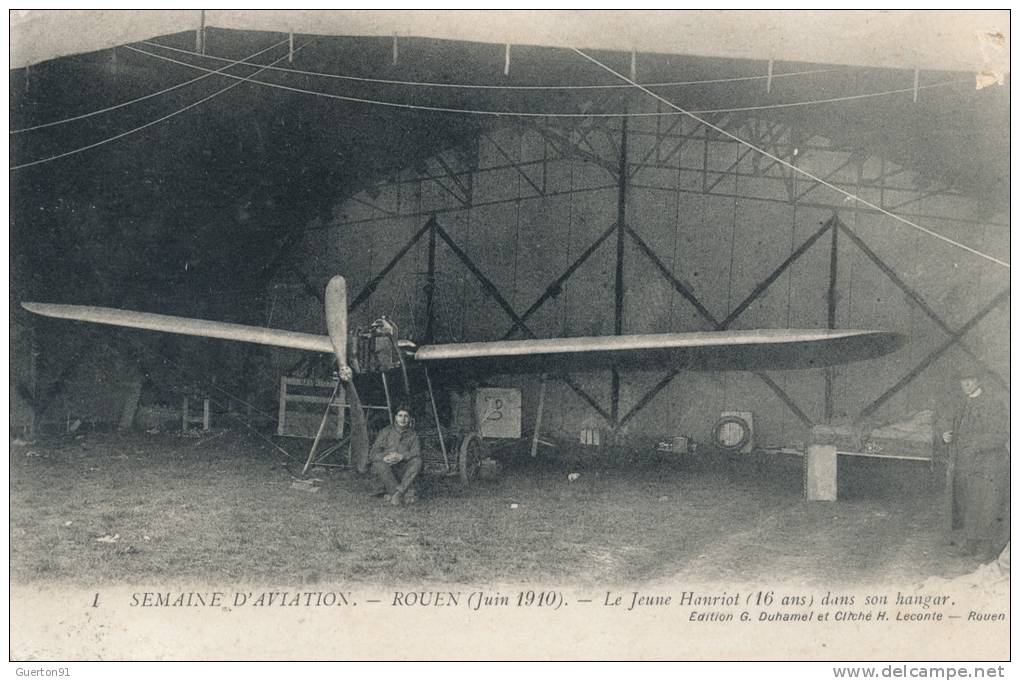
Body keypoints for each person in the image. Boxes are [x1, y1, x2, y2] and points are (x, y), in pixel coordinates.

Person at [942, 371, 1010, 559]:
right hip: (967, 463)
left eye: (971, 379)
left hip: (990, 463)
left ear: (979, 381)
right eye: (963, 380)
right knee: (968, 502)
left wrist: (975, 444)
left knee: (988, 504)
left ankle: (986, 547)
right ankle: (970, 542)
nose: (967, 383)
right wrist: (946, 436)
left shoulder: (993, 403)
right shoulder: (961, 403)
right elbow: (954, 428)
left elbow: (1000, 435)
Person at [370, 406, 422, 506]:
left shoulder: (413, 435)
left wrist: (402, 456)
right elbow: (373, 453)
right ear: (395, 417)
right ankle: (398, 494)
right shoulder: (386, 431)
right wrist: (385, 457)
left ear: (410, 418)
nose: (403, 419)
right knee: (378, 464)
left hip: (403, 470)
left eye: (406, 416)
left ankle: (397, 494)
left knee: (417, 461)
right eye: (400, 416)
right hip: (387, 469)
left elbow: (416, 453)